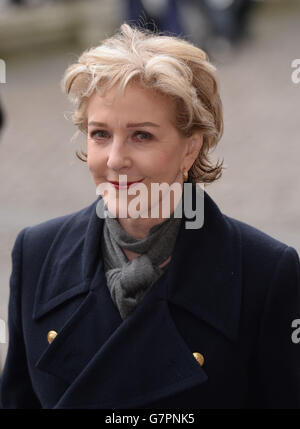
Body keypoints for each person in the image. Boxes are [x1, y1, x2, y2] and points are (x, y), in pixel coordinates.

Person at [0, 23, 300, 409]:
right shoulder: (36, 253)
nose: (115, 160)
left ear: (190, 148)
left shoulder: (264, 273)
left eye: (142, 135)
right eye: (100, 134)